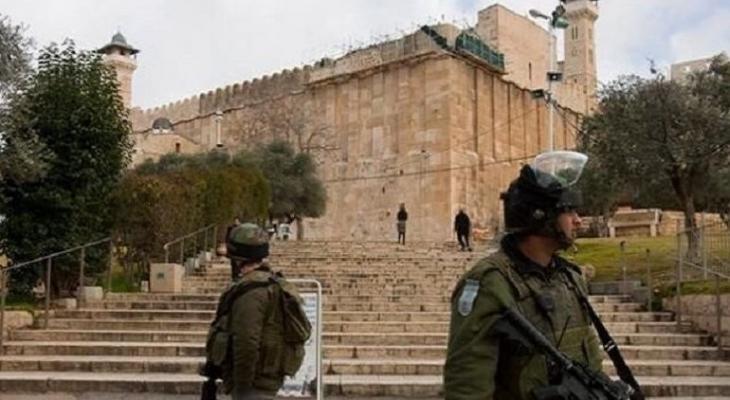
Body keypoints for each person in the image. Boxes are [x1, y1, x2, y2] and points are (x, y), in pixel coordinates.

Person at [444, 151, 642, 400]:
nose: (578, 221)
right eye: (568, 211)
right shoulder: (490, 284)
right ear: (541, 217)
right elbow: (467, 387)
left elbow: (590, 359)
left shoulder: (570, 278)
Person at [203, 223, 304, 400]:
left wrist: (242, 390)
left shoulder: (251, 293)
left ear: (238, 259)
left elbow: (247, 344)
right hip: (263, 379)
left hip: (254, 384)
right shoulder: (269, 284)